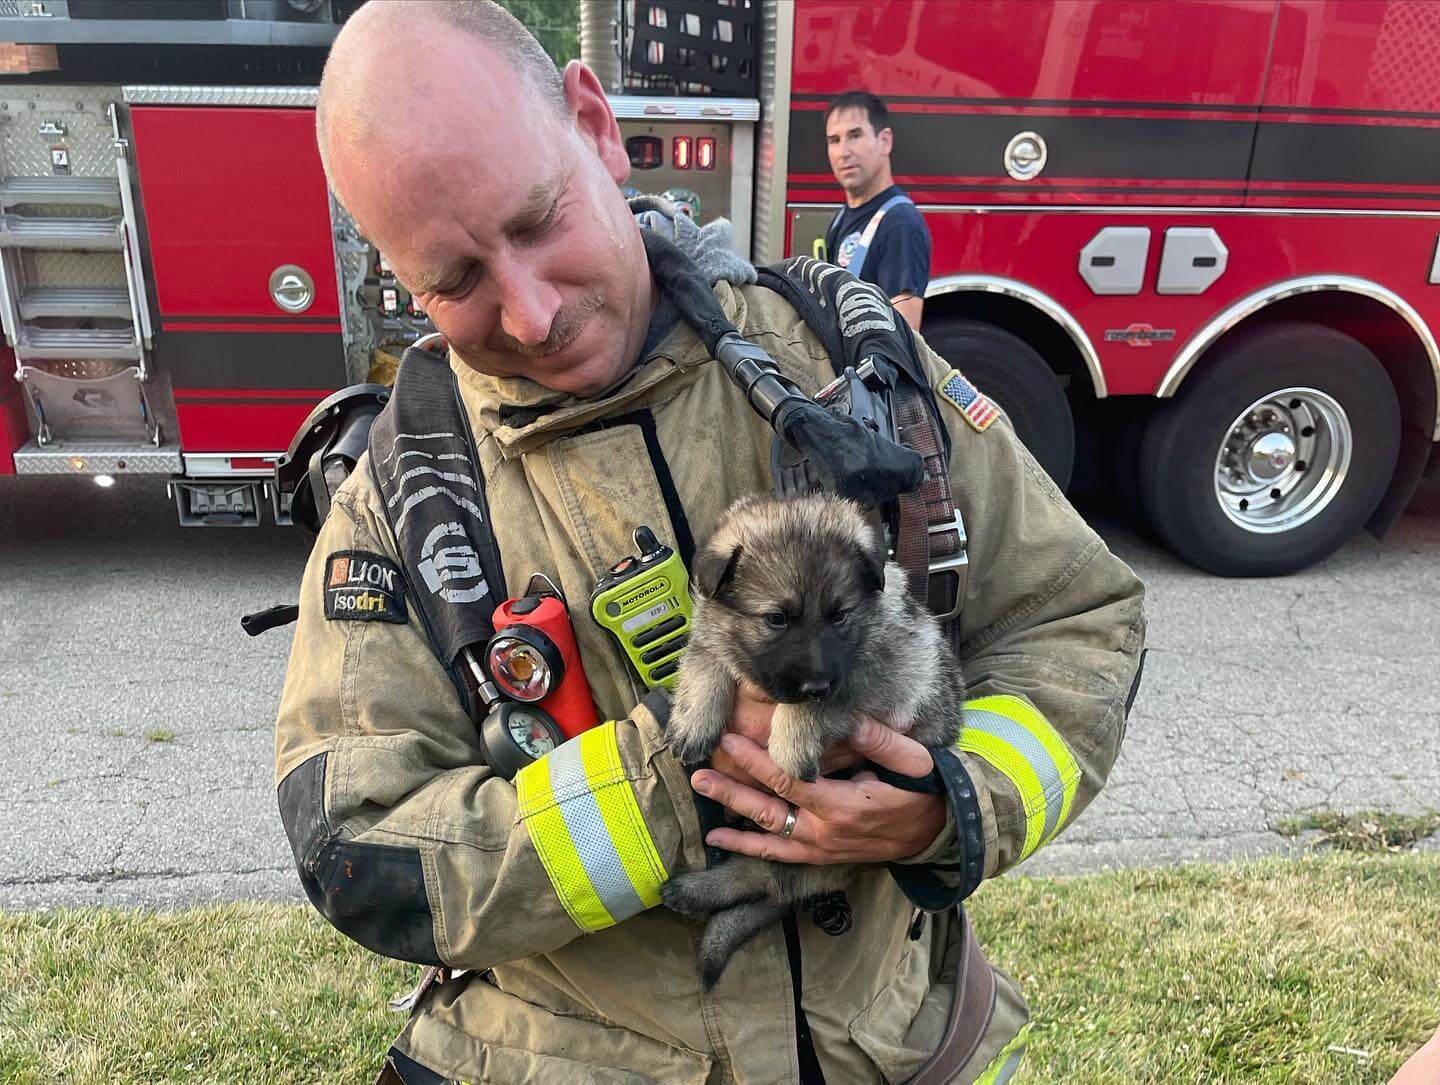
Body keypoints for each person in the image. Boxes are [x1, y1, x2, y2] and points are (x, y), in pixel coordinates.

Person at [274, 3, 1146, 1083]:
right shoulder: (404, 499)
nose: (532, 314)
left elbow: (1081, 621)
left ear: (596, 124)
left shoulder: (848, 362)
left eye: (538, 220)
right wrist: (673, 782)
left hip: (903, 1046)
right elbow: (357, 850)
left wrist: (949, 804)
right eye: (455, 281)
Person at [823, 91, 932, 331]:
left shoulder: (900, 223)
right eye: (834, 140)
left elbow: (903, 335)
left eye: (855, 135)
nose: (843, 152)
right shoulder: (843, 217)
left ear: (885, 142)